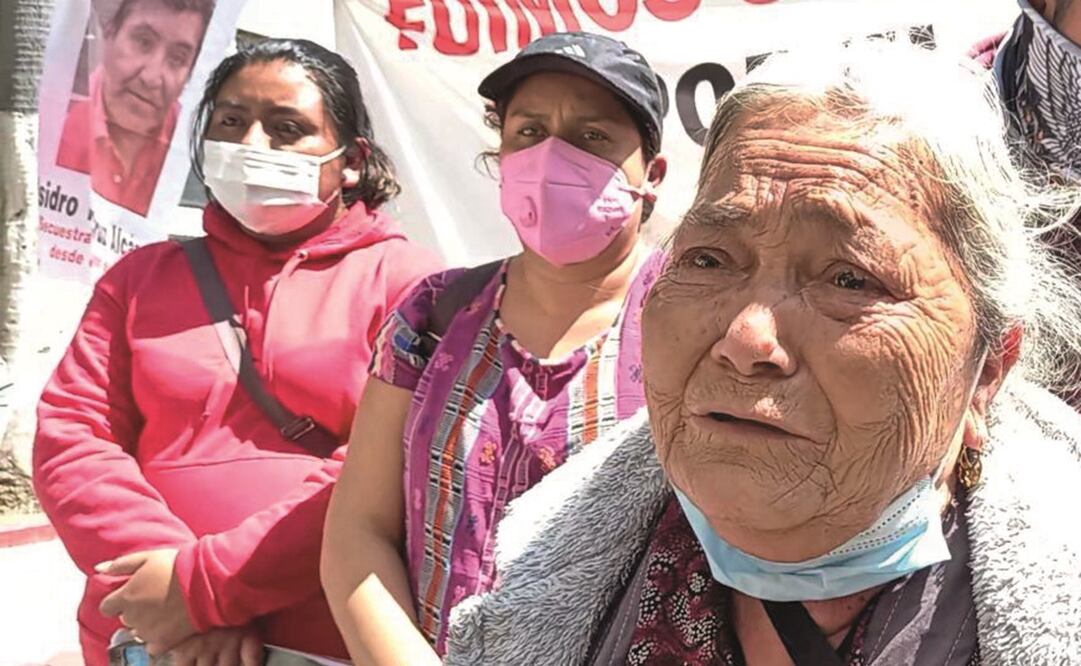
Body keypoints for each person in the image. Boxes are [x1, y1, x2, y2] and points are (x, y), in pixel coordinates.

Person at [441, 43, 1081, 665]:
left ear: (989, 366)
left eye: (850, 279)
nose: (747, 342)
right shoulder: (545, 573)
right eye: (709, 259)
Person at [34, 38, 441, 665]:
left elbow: (384, 468)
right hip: (148, 631)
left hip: (321, 635)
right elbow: (72, 437)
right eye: (231, 121)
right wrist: (172, 597)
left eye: (286, 129)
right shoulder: (138, 279)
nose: (252, 145)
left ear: (351, 160)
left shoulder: (413, 287)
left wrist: (209, 588)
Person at [321, 31, 669, 665]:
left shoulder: (692, 321)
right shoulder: (433, 315)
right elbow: (357, 533)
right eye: (529, 132)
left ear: (653, 174)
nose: (552, 157)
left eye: (592, 137)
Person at [55, 0, 213, 216]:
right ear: (110, 33)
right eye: (143, 42)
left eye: (177, 59)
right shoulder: (50, 122)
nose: (151, 77)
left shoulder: (193, 151)